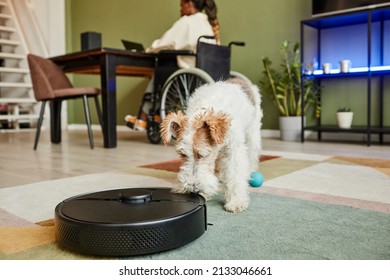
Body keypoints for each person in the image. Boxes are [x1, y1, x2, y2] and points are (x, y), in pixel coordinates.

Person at [125, 0, 219, 131]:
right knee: (166, 68)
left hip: (188, 76)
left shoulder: (187, 21)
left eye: (181, 6)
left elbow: (165, 43)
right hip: (204, 74)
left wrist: (149, 50)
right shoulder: (208, 24)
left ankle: (143, 117)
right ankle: (156, 116)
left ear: (189, 4)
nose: (180, 10)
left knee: (160, 70)